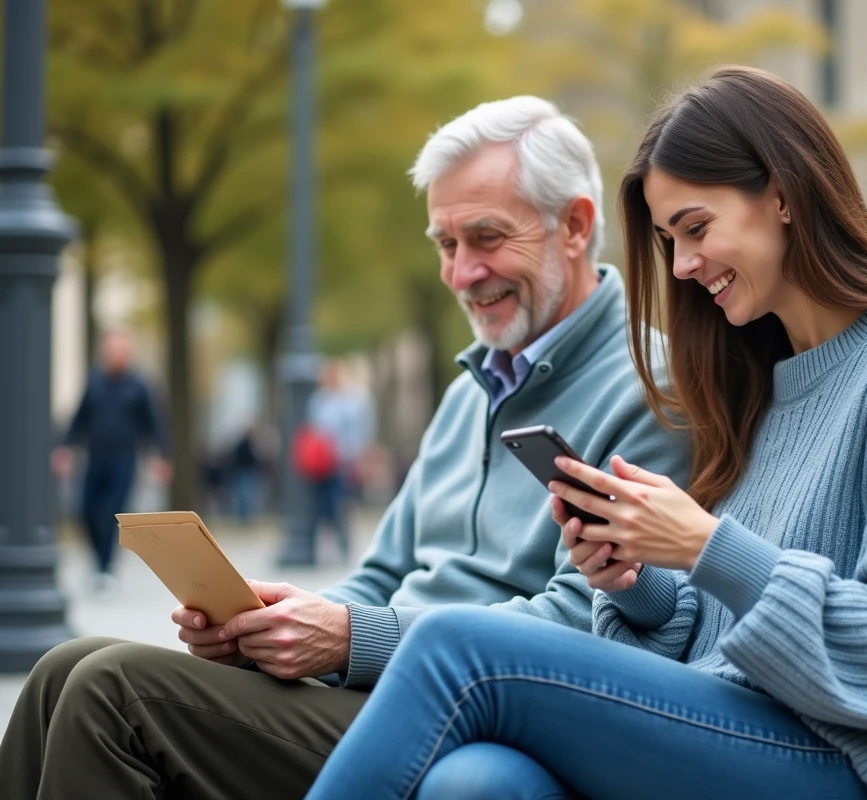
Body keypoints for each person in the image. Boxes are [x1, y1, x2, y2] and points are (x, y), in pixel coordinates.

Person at [307, 66, 867, 800]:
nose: (683, 267)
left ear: (781, 194)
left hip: (857, 768)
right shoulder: (768, 383)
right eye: (669, 240)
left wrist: (704, 545)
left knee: (452, 646)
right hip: (741, 735)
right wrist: (637, 583)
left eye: (695, 228)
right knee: (478, 783)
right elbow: (714, 635)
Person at [0, 96, 689, 800]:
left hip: (477, 709)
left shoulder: (655, 390)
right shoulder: (470, 391)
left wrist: (353, 637)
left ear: (573, 226)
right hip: (385, 687)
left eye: (486, 237)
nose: (461, 273)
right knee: (62, 670)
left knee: (110, 692)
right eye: (446, 245)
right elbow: (380, 575)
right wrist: (271, 625)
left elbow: (586, 622)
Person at [51, 327, 172, 591]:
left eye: (122, 349)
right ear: (105, 351)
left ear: (128, 353)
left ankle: (106, 568)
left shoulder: (139, 386)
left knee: (112, 513)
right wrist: (65, 448)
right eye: (112, 349)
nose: (117, 354)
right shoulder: (94, 383)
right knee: (85, 509)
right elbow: (79, 419)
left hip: (124, 461)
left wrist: (161, 456)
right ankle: (98, 562)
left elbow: (153, 424)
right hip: (95, 459)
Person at [281, 363, 374, 565]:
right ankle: (321, 549)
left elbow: (357, 432)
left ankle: (342, 547)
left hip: (339, 463)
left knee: (337, 505)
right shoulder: (319, 401)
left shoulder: (350, 402)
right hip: (319, 463)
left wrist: (352, 455)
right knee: (318, 507)